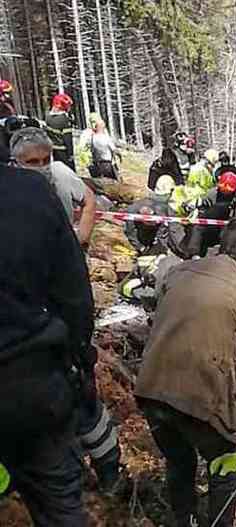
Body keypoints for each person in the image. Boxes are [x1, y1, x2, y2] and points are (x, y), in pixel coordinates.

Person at [135, 217, 236, 527]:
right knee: (226, 467)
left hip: (151, 388)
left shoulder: (178, 272)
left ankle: (181, 518)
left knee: (179, 461)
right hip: (200, 397)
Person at [0, 164, 94, 526]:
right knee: (59, 504)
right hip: (32, 380)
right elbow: (73, 293)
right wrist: (82, 358)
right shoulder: (31, 192)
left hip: (33, 378)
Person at [11, 127, 97, 248]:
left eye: (46, 160)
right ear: (16, 162)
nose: (42, 167)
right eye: (33, 161)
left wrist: (82, 240)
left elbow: (89, 200)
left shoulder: (60, 172)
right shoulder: (9, 188)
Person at [181, 169, 236, 257]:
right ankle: (193, 254)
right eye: (222, 190)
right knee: (197, 226)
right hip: (211, 222)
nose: (224, 193)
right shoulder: (212, 194)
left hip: (225, 225)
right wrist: (192, 204)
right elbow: (202, 201)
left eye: (227, 192)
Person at [124, 175, 177, 254]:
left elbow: (163, 233)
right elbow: (129, 230)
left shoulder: (133, 208)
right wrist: (141, 248)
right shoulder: (164, 210)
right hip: (141, 242)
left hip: (150, 243)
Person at [46, 93, 76, 170]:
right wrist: (70, 154)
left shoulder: (48, 118)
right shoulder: (64, 120)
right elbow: (67, 138)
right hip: (63, 151)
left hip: (54, 150)